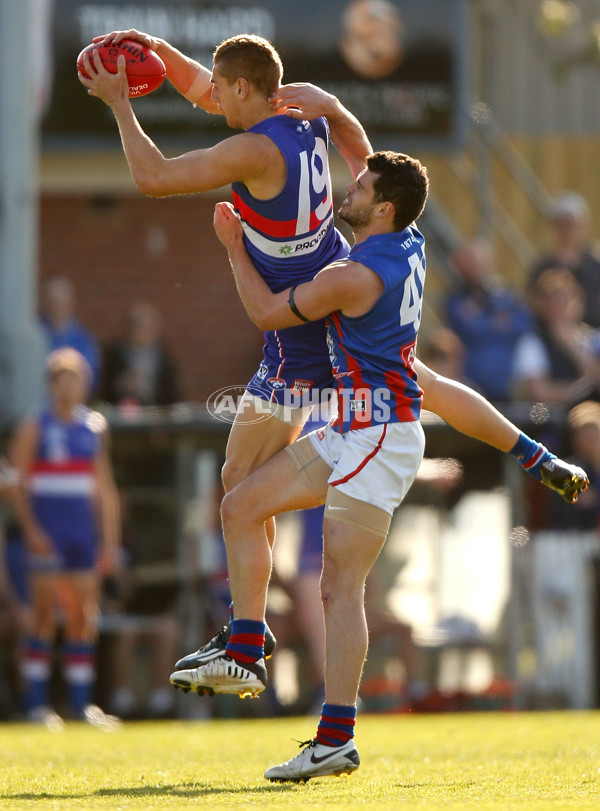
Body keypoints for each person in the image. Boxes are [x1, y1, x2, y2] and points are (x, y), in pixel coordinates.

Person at [78, 30, 588, 681]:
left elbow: (153, 177)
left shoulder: (251, 148)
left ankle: (245, 643)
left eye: (220, 86)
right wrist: (155, 47)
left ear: (244, 89)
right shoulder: (304, 109)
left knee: (239, 487)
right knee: (418, 380)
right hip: (333, 274)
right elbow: (322, 122)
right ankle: (532, 452)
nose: (211, 95)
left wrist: (120, 102)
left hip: (297, 327)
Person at [173, 153, 587, 781]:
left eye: (362, 187)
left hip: (379, 436)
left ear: (384, 208)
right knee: (239, 506)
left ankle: (335, 734)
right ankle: (248, 646)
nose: (350, 188)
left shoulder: (358, 275)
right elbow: (438, 386)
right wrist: (537, 454)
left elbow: (264, 313)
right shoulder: (406, 241)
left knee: (339, 585)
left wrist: (235, 244)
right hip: (351, 428)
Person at [9, 348, 121, 729]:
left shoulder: (94, 426)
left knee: (82, 616)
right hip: (48, 532)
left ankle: (80, 705)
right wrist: (32, 530)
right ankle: (36, 704)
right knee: (41, 617)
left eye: (77, 377)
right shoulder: (35, 425)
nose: (71, 385)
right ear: (52, 383)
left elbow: (104, 488)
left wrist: (109, 540)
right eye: (64, 378)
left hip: (80, 536)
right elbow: (14, 484)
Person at [445, 236, 532, 401]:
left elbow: (523, 322)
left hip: (505, 389)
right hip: (468, 389)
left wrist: (481, 319)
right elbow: (468, 327)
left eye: (480, 261)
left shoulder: (504, 294)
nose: (476, 267)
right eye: (471, 261)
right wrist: (498, 323)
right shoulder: (455, 299)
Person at [512, 267, 598, 406]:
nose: (559, 307)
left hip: (590, 411)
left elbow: (596, 379)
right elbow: (539, 392)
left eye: (564, 300)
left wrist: (571, 346)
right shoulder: (532, 340)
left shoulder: (589, 337)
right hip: (549, 416)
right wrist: (580, 390)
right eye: (553, 301)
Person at [530, 191, 600, 328]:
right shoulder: (543, 267)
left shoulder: (594, 262)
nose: (569, 230)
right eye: (564, 224)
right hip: (553, 334)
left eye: (573, 224)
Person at [99, 301, 180, 407]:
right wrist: (120, 386)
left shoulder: (164, 359)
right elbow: (102, 390)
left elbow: (173, 394)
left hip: (155, 415)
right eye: (136, 326)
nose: (140, 332)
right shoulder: (113, 356)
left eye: (145, 327)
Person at [39, 276, 101, 394]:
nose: (56, 304)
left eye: (60, 299)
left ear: (71, 300)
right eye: (52, 299)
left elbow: (91, 380)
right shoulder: (35, 335)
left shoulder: (84, 340)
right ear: (44, 300)